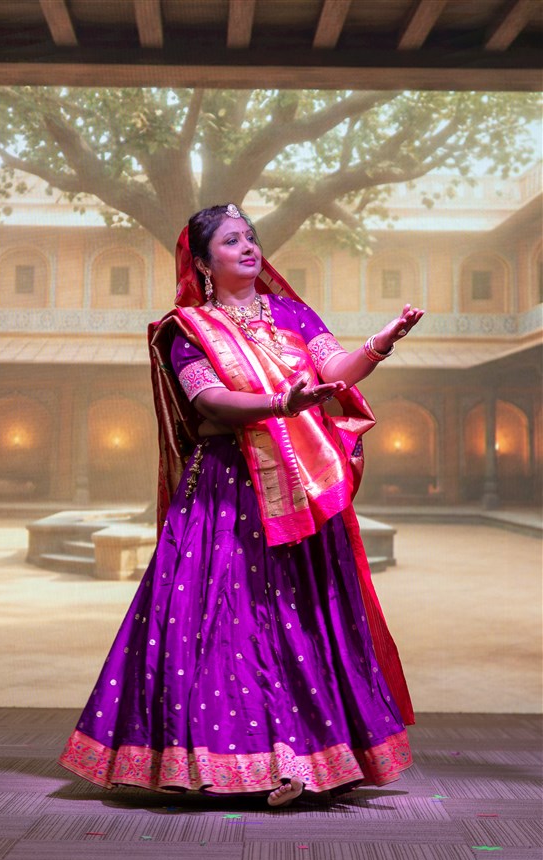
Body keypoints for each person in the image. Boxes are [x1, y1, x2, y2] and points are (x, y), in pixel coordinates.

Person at [59, 203, 424, 808]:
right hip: (226, 491)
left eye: (251, 237)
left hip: (298, 491)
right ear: (204, 263)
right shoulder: (188, 328)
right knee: (224, 623)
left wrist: (379, 345)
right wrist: (281, 405)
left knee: (302, 622)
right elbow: (211, 401)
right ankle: (221, 760)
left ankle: (303, 757)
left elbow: (334, 370)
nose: (249, 247)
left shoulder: (293, 313)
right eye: (232, 241)